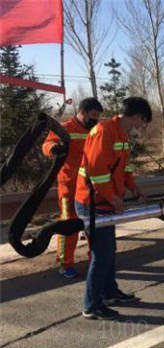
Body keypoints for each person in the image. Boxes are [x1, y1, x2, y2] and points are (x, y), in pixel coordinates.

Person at [75, 97, 152, 320]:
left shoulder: (121, 134)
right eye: (143, 121)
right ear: (136, 116)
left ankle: (109, 293)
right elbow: (97, 171)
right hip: (92, 202)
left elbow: (123, 168)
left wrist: (134, 190)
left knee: (109, 251)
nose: (142, 126)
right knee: (102, 254)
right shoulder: (104, 131)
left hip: (104, 201)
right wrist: (113, 198)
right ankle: (91, 305)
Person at [42, 98, 103, 278]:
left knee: (94, 225)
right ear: (82, 112)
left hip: (90, 188)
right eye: (93, 116)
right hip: (69, 188)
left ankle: (95, 258)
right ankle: (65, 263)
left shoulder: (96, 130)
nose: (96, 120)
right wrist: (52, 148)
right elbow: (46, 145)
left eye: (98, 117)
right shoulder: (65, 128)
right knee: (69, 226)